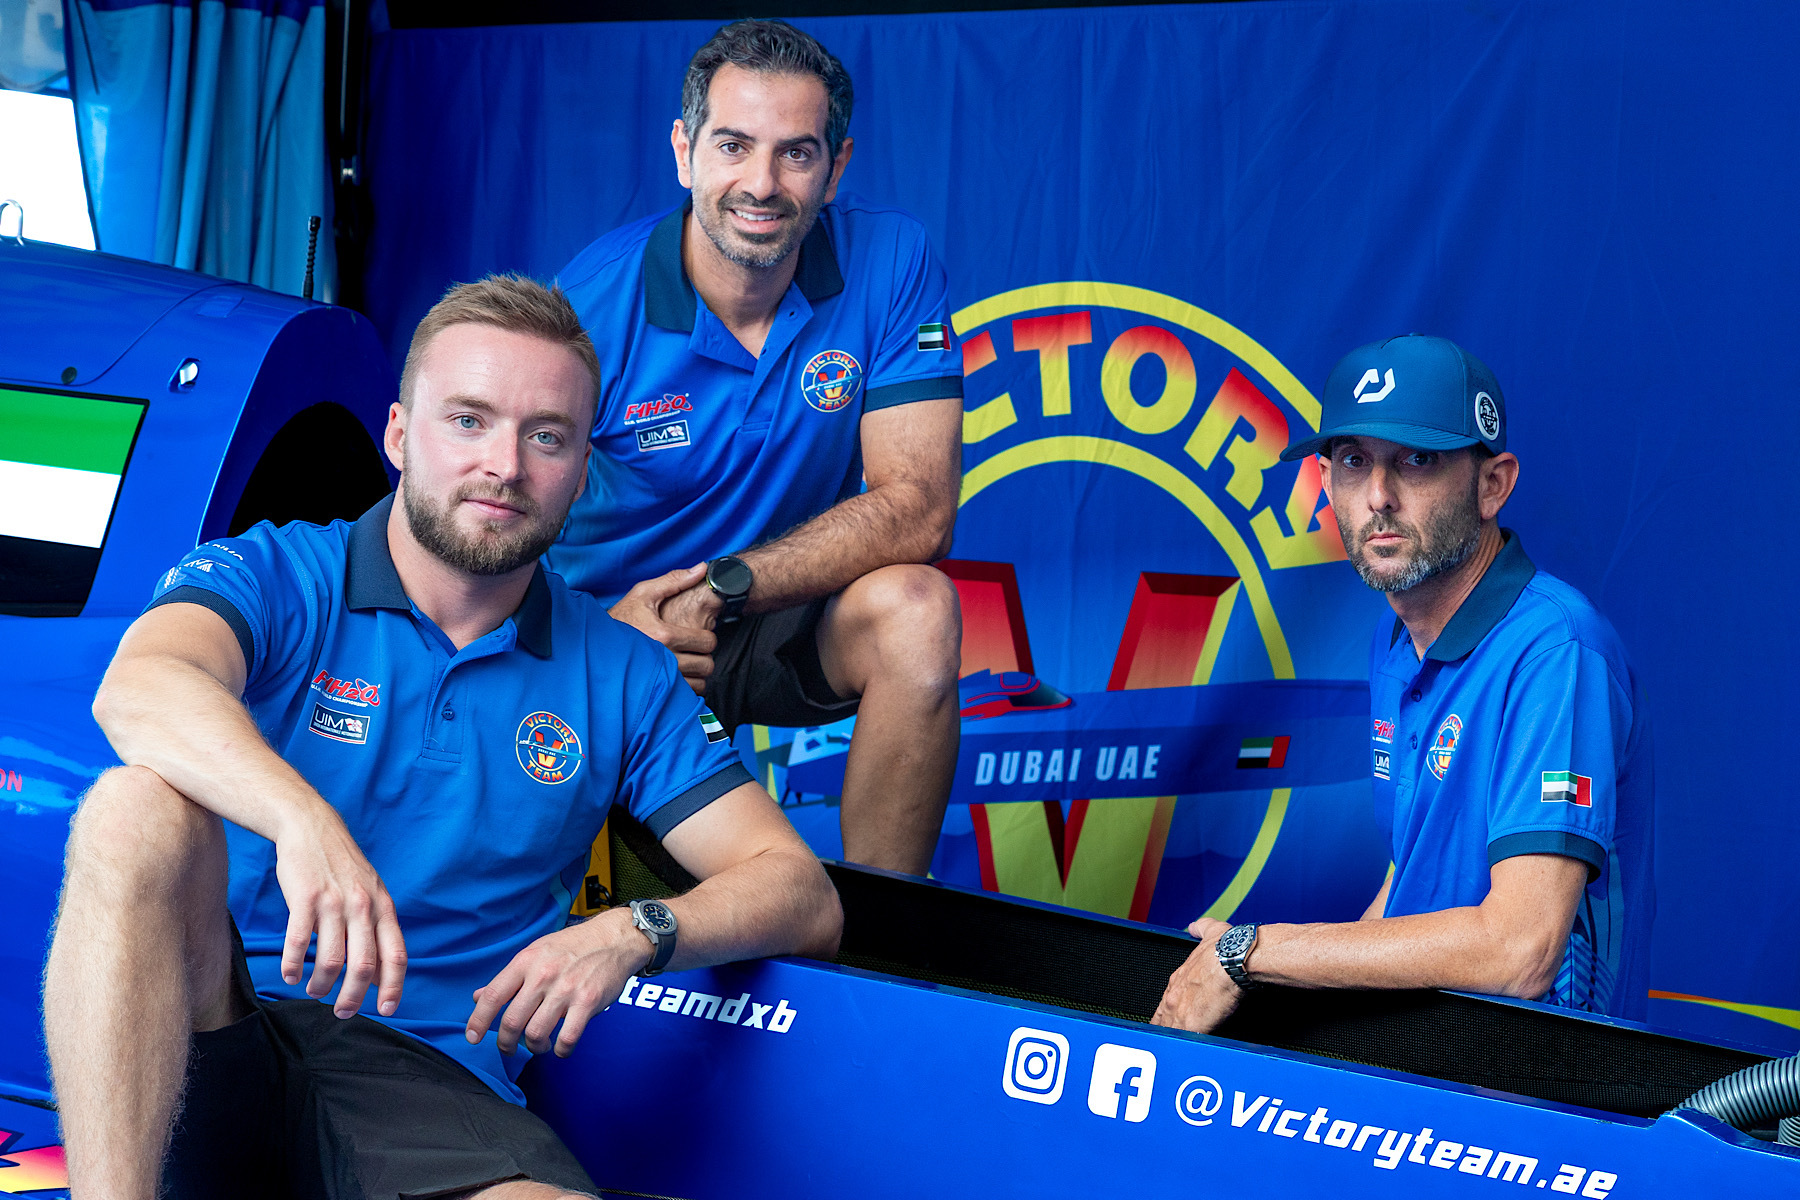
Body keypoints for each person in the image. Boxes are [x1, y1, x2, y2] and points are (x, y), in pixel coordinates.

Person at [42, 276, 843, 1200]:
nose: (505, 465)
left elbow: (800, 893)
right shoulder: (281, 571)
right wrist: (304, 822)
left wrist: (634, 931)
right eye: (468, 420)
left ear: (583, 467)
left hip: (420, 1078)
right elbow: (141, 689)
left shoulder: (625, 673)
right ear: (397, 435)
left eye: (547, 436)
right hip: (212, 1030)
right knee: (133, 810)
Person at [550, 20, 964, 876]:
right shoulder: (585, 309)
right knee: (610, 907)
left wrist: (720, 588)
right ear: (684, 152)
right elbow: (493, 523)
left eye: (796, 154)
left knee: (918, 611)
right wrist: (600, 635)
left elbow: (919, 510)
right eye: (733, 146)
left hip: (771, 607)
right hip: (616, 628)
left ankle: (890, 930)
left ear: (836, 167)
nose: (762, 184)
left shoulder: (891, 259)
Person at [1153, 334, 1653, 1032]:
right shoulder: (1396, 639)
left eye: (1417, 461)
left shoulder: (1556, 651)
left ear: (1492, 485)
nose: (1379, 497)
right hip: (1420, 1059)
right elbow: (1411, 878)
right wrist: (1285, 995)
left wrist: (1251, 952)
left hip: (1542, 1082)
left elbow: (1521, 950)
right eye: (1354, 461)